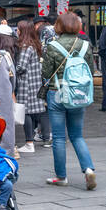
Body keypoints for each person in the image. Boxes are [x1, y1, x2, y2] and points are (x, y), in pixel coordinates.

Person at [41, 11, 97, 189]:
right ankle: (88, 169)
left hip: (57, 92)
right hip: (78, 94)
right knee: (77, 135)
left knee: (58, 137)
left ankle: (61, 176)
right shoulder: (85, 45)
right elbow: (90, 70)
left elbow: (46, 73)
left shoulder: (53, 45)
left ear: (59, 25)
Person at [13, 20, 49, 153]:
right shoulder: (35, 45)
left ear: (22, 31)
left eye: (18, 29)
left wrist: (11, 69)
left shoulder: (25, 47)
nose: (16, 31)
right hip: (35, 83)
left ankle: (29, 143)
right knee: (36, 111)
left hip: (26, 84)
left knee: (26, 112)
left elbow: (21, 67)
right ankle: (37, 138)